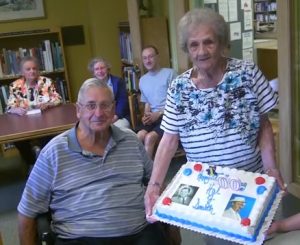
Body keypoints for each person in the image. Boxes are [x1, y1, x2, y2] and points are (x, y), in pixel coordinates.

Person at [144, 8, 286, 243]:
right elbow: (169, 140)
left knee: (259, 237)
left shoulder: (248, 74)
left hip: (251, 184)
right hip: (209, 194)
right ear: (187, 49)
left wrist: (271, 168)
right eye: (194, 45)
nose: (201, 51)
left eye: (208, 42)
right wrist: (154, 185)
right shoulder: (178, 88)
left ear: (221, 43)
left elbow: (264, 126)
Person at [17, 78, 166, 245]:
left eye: (105, 105)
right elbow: (27, 211)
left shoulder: (130, 141)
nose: (99, 113)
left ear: (114, 108)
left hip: (139, 233)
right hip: (80, 238)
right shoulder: (54, 152)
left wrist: (174, 232)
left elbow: (158, 184)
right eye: (91, 106)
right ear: (78, 110)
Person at [6, 56, 62, 168]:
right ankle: (31, 163)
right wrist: (15, 109)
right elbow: (10, 106)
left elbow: (58, 99)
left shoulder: (46, 82)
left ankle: (44, 163)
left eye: (34, 68)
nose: (32, 71)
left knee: (47, 137)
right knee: (18, 140)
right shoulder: (15, 86)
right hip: (24, 124)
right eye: (28, 69)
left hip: (45, 122)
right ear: (22, 72)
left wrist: (48, 104)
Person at [136, 45, 177, 158]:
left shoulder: (170, 74)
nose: (147, 60)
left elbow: (178, 103)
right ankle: (140, 169)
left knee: (149, 138)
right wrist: (146, 116)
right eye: (144, 58)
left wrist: (158, 113)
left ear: (157, 57)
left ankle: (149, 174)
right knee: (139, 136)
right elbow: (147, 103)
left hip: (169, 116)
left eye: (150, 57)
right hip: (153, 118)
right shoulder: (142, 80)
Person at [88, 57, 131, 129]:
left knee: (116, 129)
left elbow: (123, 103)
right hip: (100, 118)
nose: (100, 71)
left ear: (107, 69)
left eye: (102, 68)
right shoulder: (91, 86)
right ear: (94, 72)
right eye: (97, 69)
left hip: (119, 117)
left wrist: (114, 117)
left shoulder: (118, 82)